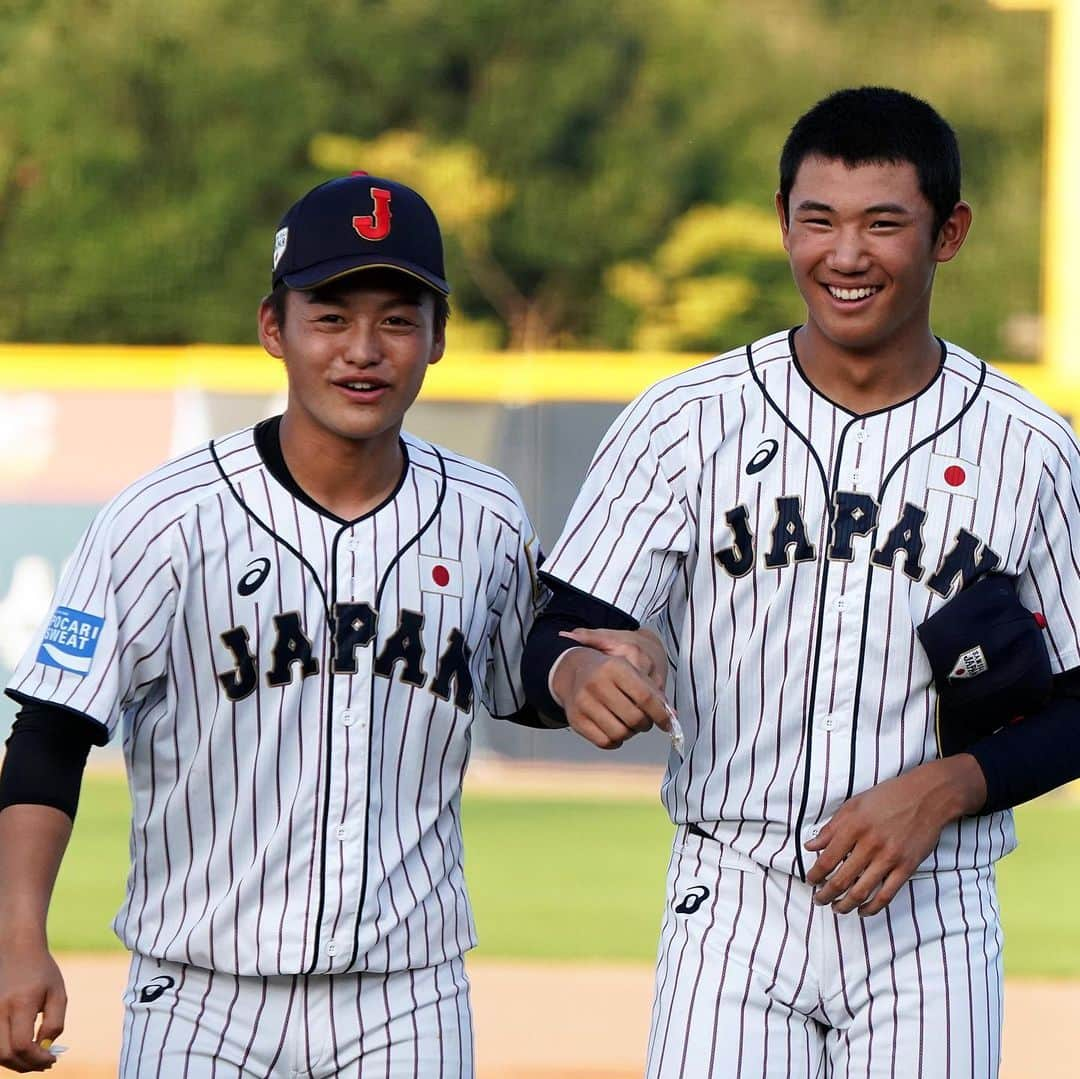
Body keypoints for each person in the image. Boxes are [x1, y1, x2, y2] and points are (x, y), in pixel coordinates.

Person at [0, 172, 666, 1076]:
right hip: (202, 995)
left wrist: (581, 675)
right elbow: (48, 734)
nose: (364, 348)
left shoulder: (484, 512)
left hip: (406, 996)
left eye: (397, 318)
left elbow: (524, 673)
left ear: (437, 338)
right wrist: (16, 936)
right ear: (274, 328)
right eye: (332, 315)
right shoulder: (163, 518)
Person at [523, 86, 1080, 1078]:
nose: (846, 254)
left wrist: (951, 786)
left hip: (934, 904)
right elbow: (558, 631)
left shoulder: (1029, 447)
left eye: (883, 223)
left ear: (948, 233)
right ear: (783, 221)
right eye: (817, 219)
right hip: (733, 896)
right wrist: (576, 675)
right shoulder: (683, 419)